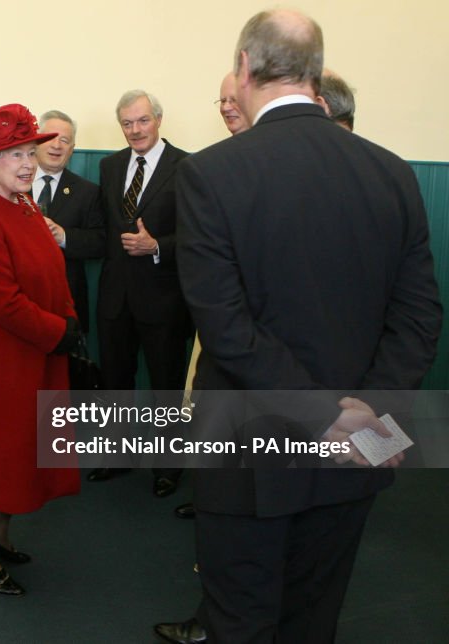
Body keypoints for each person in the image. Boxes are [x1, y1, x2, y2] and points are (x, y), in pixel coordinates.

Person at [158, 10, 442, 643]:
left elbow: (226, 327)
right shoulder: (392, 172)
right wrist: (365, 410)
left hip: (248, 445)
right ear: (315, 74)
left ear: (245, 67)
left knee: (240, 620)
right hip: (359, 444)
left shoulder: (211, 173)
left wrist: (323, 413)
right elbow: (420, 315)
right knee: (316, 617)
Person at [0, 103, 81, 597]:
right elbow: (3, 302)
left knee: (25, 449)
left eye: (31, 152)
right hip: (1, 359)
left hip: (36, 349)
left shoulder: (23, 203)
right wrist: (60, 331)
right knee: (0, 454)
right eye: (15, 155)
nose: (29, 163)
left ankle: (1, 539)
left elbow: (52, 267)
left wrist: (67, 317)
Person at [89, 90, 190, 496]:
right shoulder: (110, 166)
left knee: (167, 382)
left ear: (159, 120)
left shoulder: (186, 166)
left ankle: (168, 467)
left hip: (163, 296)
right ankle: (116, 455)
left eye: (142, 120)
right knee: (115, 379)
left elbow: (198, 237)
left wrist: (158, 247)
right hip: (115, 295)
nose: (135, 130)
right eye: (127, 123)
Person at [171, 72, 252, 524]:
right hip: (214, 316)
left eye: (233, 98)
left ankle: (225, 507)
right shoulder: (212, 163)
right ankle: (211, 499)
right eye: (219, 100)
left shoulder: (268, 162)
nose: (225, 107)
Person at [34, 110, 103, 334]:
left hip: (66, 304)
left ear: (72, 150)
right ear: (36, 141)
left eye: (65, 140)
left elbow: (100, 242)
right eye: (51, 137)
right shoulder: (12, 184)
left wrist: (64, 236)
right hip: (18, 299)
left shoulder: (88, 192)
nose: (57, 145)